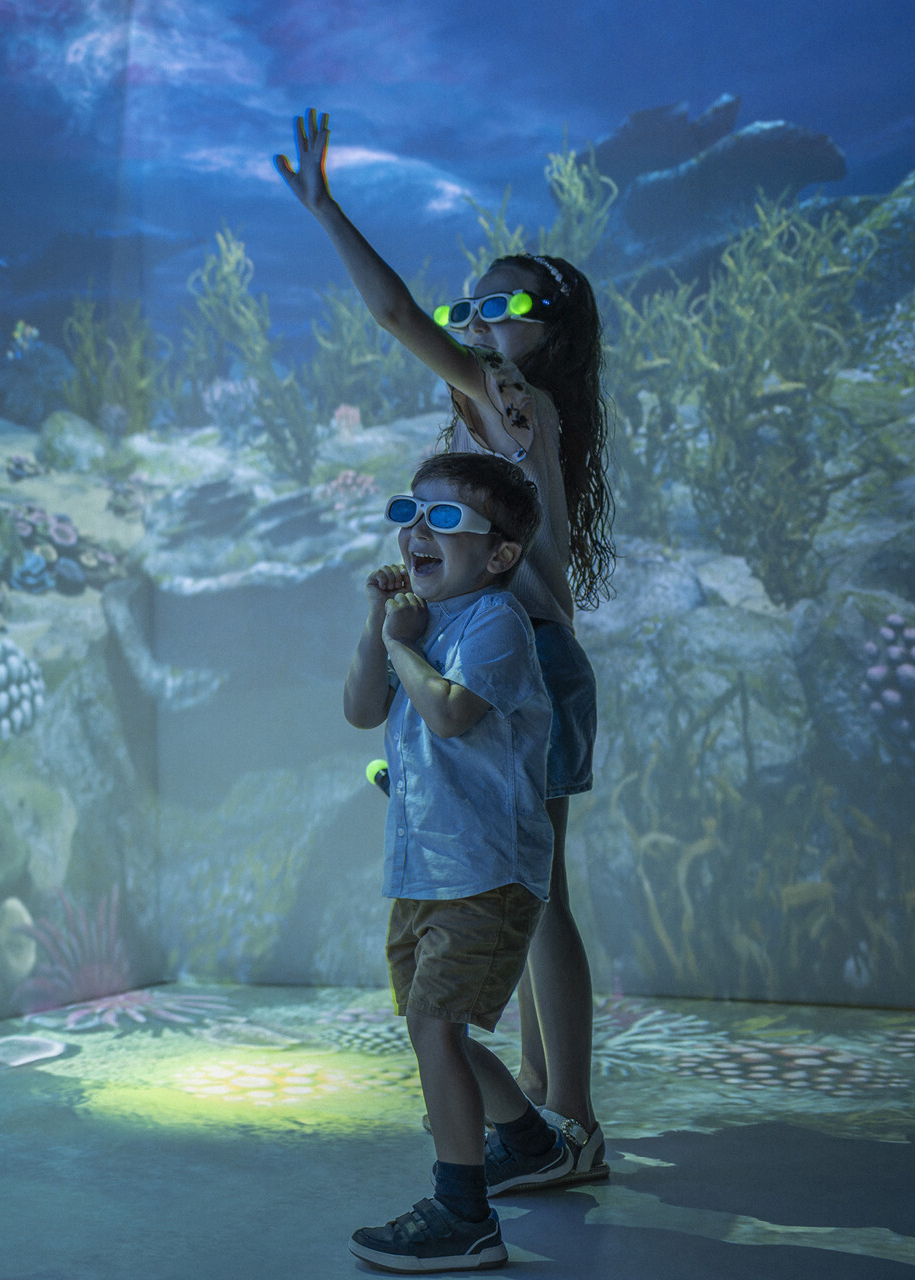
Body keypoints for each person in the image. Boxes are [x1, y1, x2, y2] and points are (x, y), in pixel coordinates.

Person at [277, 108, 615, 1186]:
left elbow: (389, 309)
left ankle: (568, 1119)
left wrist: (329, 212)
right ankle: (542, 1116)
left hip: (526, 659)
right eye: (471, 306)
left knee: (537, 891)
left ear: (549, 331)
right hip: (502, 650)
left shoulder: (512, 399)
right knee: (519, 887)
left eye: (502, 307)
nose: (475, 321)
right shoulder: (507, 415)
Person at [342, 453, 557, 1271]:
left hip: (486, 869)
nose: (416, 533)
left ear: (499, 554)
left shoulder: (494, 622)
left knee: (437, 1024)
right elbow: (364, 711)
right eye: (410, 514)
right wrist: (379, 629)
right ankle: (530, 1145)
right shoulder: (418, 624)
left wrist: (404, 648)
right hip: (425, 867)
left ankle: (463, 1212)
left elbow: (452, 713)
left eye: (444, 520)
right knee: (436, 1026)